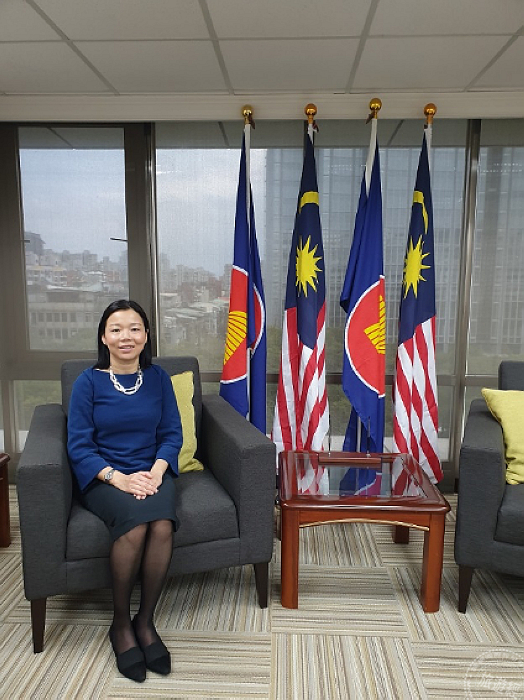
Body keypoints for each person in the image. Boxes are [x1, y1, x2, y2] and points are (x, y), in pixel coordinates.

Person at [67, 299, 182, 683]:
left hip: (152, 472)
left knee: (162, 525)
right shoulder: (87, 383)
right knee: (135, 527)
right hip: (103, 477)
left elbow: (172, 434)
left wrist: (156, 473)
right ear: (104, 337)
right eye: (116, 329)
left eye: (134, 328)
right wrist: (118, 478)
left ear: (146, 335)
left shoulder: (159, 378)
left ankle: (144, 621)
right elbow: (79, 446)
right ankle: (119, 624)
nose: (126, 336)